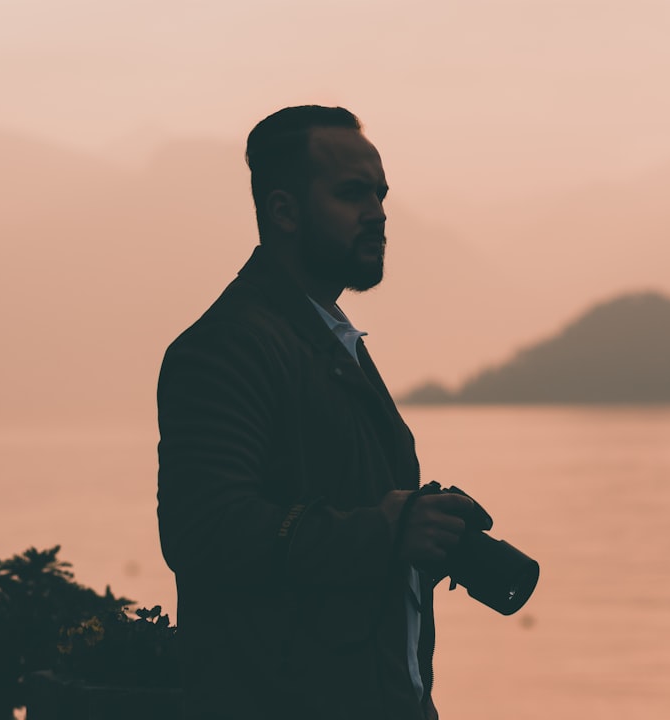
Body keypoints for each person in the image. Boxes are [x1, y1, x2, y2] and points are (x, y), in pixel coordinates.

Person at [156, 105, 473, 720]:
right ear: (284, 211)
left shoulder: (327, 340)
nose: (378, 213)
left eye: (381, 195)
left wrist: (422, 535)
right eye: (353, 194)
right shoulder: (225, 347)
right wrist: (387, 529)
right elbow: (205, 532)